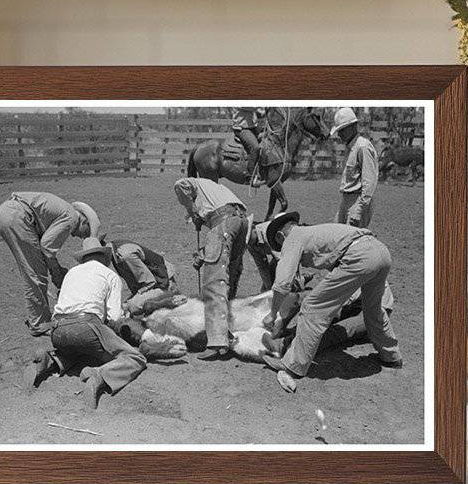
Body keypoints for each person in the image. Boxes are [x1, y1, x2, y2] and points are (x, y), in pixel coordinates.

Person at [258, 212, 402, 393]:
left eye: (279, 245)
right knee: (373, 309)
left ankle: (292, 366)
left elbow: (281, 284)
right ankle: (391, 356)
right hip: (380, 251)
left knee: (312, 307)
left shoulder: (293, 238)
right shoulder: (316, 232)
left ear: (280, 236)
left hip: (360, 257)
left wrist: (273, 314)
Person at [24, 238, 148, 410]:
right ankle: (99, 376)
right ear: (105, 257)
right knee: (135, 358)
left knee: (83, 349)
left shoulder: (72, 273)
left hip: (58, 329)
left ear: (84, 258)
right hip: (86, 325)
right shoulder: (110, 275)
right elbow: (114, 317)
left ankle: (51, 360)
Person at [0, 191, 99, 336]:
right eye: (85, 233)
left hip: (8, 214)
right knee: (35, 273)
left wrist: (55, 268)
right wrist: (56, 272)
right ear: (84, 222)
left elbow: (45, 248)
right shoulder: (71, 218)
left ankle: (39, 319)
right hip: (18, 216)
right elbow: (47, 246)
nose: (79, 237)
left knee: (33, 269)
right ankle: (40, 324)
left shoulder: (65, 210)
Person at [172, 176, 248, 359]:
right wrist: (204, 254)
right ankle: (228, 330)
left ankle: (216, 342)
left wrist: (193, 213)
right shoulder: (213, 190)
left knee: (214, 282)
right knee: (229, 275)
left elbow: (180, 185)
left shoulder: (191, 186)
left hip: (223, 222)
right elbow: (222, 236)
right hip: (242, 221)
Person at [330, 107, 378, 228]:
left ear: (353, 126)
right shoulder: (350, 147)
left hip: (358, 201)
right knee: (335, 233)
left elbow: (369, 181)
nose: (339, 134)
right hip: (346, 199)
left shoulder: (363, 147)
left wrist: (359, 210)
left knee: (351, 240)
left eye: (342, 130)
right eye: (339, 131)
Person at [104, 237, 173, 296]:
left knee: (131, 306)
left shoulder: (125, 255)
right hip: (156, 282)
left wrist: (135, 298)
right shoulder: (115, 253)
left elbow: (150, 283)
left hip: (162, 280)